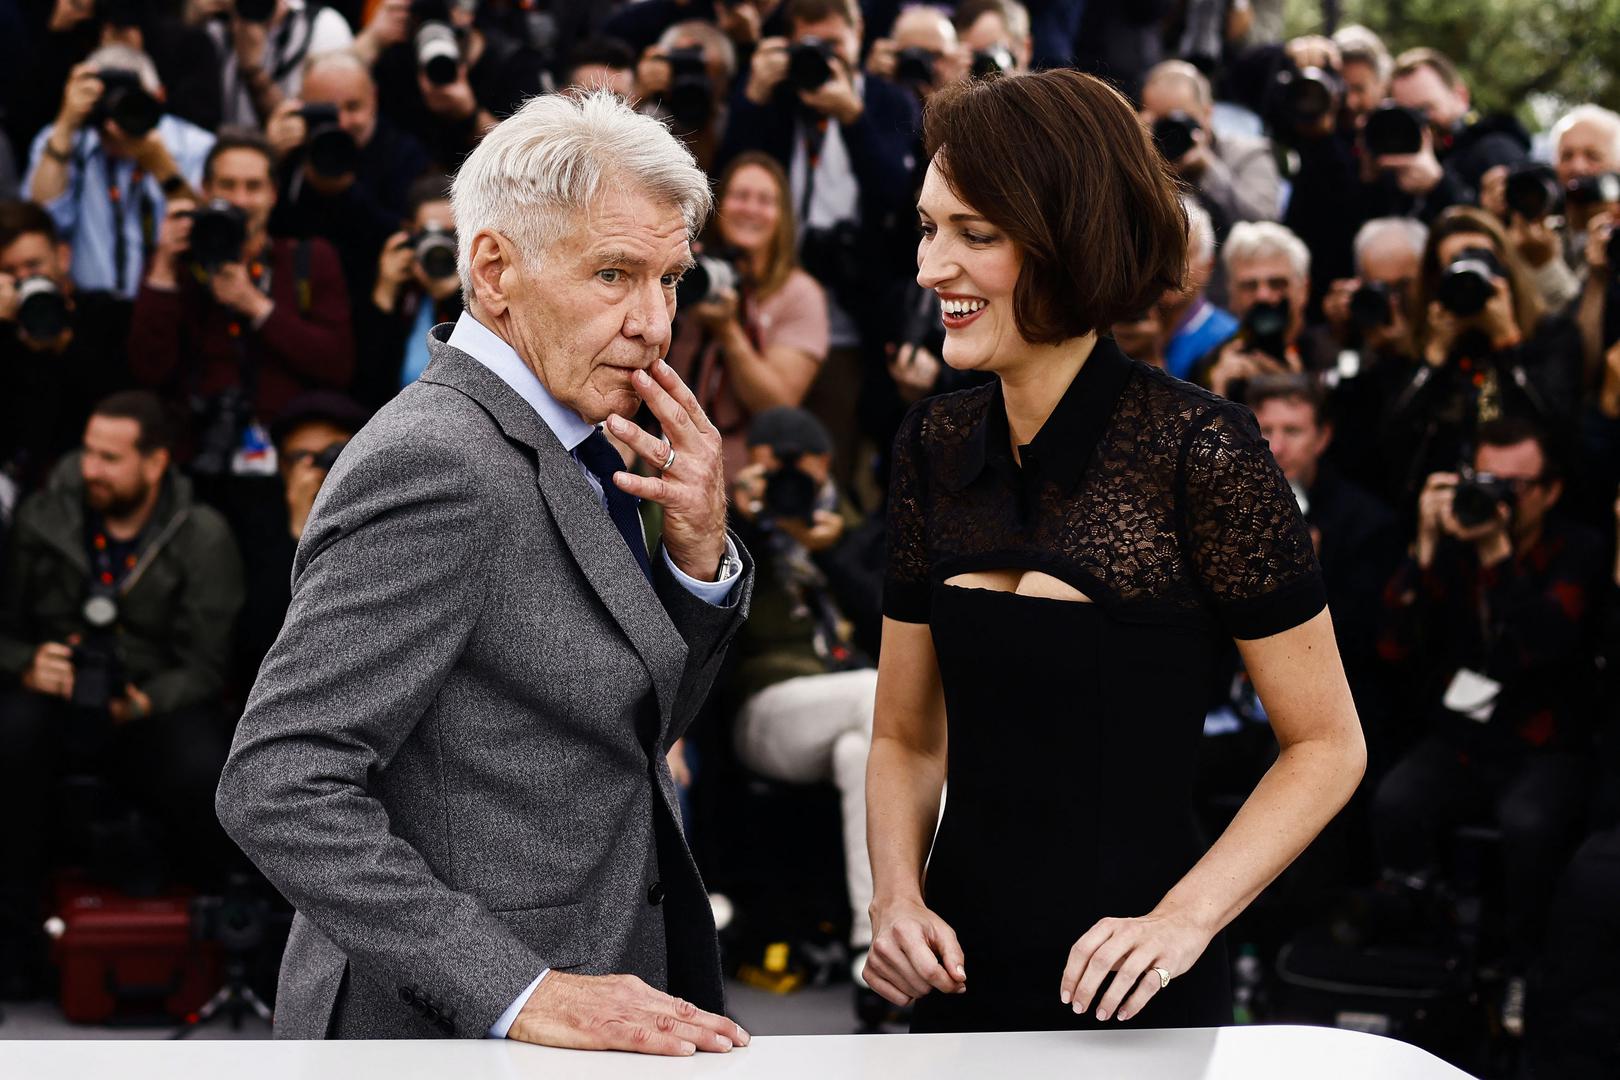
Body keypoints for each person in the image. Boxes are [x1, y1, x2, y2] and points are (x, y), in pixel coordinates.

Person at [215, 90, 756, 1050]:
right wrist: (519, 991)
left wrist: (698, 554)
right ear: (496, 270)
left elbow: (627, 732)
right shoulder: (437, 461)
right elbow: (278, 782)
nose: (653, 323)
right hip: (443, 1038)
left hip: (584, 1002)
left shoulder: (579, 437)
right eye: (614, 273)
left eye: (670, 279)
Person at [865, 69, 1365, 1033]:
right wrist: (895, 899)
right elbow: (905, 736)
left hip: (1139, 986)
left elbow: (1327, 744)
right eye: (929, 229)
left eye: (975, 234)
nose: (931, 268)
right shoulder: (933, 444)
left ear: (1067, 239)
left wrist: (1184, 921)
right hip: (958, 979)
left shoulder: (1202, 451)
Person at [0, 390, 244, 995]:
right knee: (11, 736)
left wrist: (140, 701)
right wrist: (28, 663)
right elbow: (5, 628)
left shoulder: (202, 535)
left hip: (148, 703)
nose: (91, 469)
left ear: (155, 462)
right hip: (53, 696)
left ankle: (215, 942)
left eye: (110, 458)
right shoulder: (43, 516)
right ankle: (14, 949)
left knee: (203, 767)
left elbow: (206, 667)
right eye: (88, 452)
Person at [1373, 416, 1603, 1023]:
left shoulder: (1580, 550)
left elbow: (1543, 645)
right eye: (1483, 481)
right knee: (1395, 802)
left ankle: (1524, 965)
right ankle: (1438, 945)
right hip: (1465, 736)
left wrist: (1497, 554)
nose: (1496, 499)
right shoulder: (1452, 542)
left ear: (1550, 491)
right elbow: (1393, 647)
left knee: (1529, 826)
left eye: (1514, 487)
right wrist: (1423, 549)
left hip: (1546, 739)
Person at [129, 129, 354, 472]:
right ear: (206, 190)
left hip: (285, 456)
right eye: (228, 185)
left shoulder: (310, 259)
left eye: (253, 187)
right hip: (194, 454)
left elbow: (337, 365)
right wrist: (162, 266)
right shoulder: (177, 265)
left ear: (273, 193)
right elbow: (148, 371)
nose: (240, 200)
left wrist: (256, 306)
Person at [667, 152, 828, 482]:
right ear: (719, 205)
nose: (751, 208)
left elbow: (778, 405)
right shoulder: (687, 270)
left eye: (765, 200)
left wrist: (728, 330)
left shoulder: (800, 294)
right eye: (740, 196)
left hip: (741, 475)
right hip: (662, 455)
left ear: (783, 216)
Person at [24, 44, 215, 300]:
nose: (115, 121)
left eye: (132, 102)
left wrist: (162, 166)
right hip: (86, 305)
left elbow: (209, 237)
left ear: (159, 96)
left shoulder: (196, 146)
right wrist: (66, 124)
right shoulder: (62, 139)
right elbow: (41, 220)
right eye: (107, 103)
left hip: (169, 302)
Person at [0, 199, 132, 495]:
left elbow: (124, 401)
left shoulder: (108, 314)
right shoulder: (5, 332)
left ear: (62, 256)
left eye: (34, 265)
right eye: (10, 270)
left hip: (96, 480)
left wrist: (64, 344)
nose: (25, 278)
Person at [354, 173, 463, 412]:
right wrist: (385, 292)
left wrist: (455, 298)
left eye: (451, 235)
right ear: (409, 233)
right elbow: (368, 383)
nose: (439, 246)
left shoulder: (486, 292)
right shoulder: (400, 290)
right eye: (429, 234)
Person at [1139, 60, 1281, 232]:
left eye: (1177, 120)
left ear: (1206, 113)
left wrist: (1207, 169)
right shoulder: (1139, 158)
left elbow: (1264, 224)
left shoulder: (1250, 153)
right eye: (1160, 121)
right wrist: (1144, 158)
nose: (1169, 132)